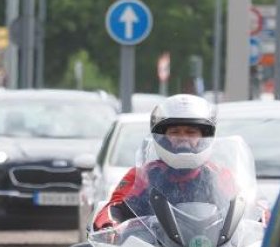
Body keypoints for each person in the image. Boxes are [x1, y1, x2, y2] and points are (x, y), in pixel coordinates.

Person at [92, 94, 231, 231]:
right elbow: (114, 208)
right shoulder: (142, 175)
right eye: (175, 132)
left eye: (191, 132)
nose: (183, 138)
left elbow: (242, 209)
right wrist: (109, 225)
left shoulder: (218, 175)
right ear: (162, 138)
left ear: (203, 137)